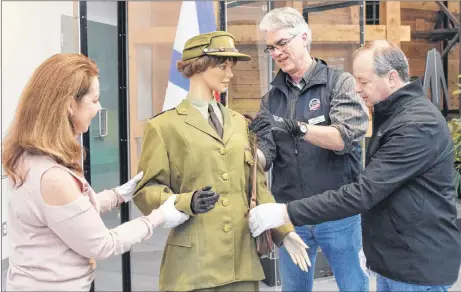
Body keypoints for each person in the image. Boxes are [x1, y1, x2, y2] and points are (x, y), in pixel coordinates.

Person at [248, 40, 461, 292]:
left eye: (363, 81)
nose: (357, 89)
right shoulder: (394, 114)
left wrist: (284, 213)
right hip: (398, 259)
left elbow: (365, 192)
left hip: (416, 266)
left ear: (392, 78)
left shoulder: (416, 125)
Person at [132, 31, 310, 292]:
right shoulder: (163, 127)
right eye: (222, 65)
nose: (230, 73)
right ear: (199, 65)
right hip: (194, 265)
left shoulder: (240, 123)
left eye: (231, 66)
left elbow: (256, 185)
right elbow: (145, 192)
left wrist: (284, 230)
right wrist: (185, 201)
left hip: (241, 261)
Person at [1, 53, 189, 291]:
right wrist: (158, 217)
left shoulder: (30, 156)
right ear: (70, 105)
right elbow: (102, 243)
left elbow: (68, 215)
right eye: (94, 100)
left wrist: (119, 194)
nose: (99, 108)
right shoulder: (51, 177)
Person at [248, 6, 369, 292]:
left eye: (281, 43)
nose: (276, 53)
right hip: (290, 215)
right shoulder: (270, 99)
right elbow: (266, 156)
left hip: (338, 212)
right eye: (270, 48)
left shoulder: (340, 83)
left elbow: (345, 138)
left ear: (304, 37)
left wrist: (300, 128)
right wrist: (245, 151)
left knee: (353, 287)